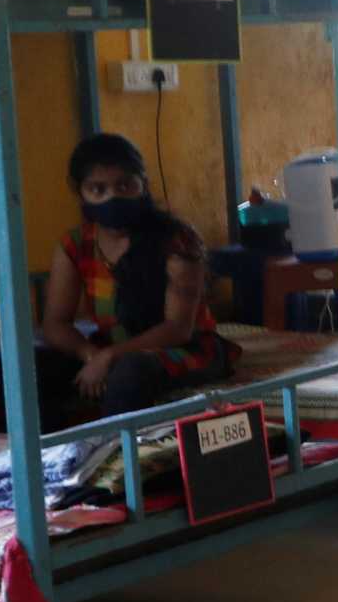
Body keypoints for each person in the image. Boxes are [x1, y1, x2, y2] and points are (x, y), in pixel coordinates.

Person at [35, 134, 236, 431]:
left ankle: (116, 463)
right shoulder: (76, 245)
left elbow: (177, 329)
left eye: (125, 186)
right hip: (109, 349)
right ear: (81, 194)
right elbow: (55, 323)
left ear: (143, 185)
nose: (112, 197)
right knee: (23, 371)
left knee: (131, 371)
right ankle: (51, 461)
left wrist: (109, 357)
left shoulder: (176, 240)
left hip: (187, 349)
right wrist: (89, 354)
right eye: (97, 189)